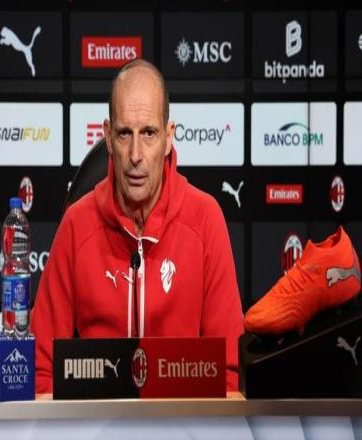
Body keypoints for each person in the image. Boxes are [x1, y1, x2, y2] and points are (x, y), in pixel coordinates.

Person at [30, 59, 244, 392]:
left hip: (185, 419)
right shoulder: (77, 224)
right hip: (96, 420)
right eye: (124, 134)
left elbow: (229, 371)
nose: (135, 155)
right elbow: (40, 368)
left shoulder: (205, 220)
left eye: (149, 133)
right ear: (107, 137)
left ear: (169, 137)